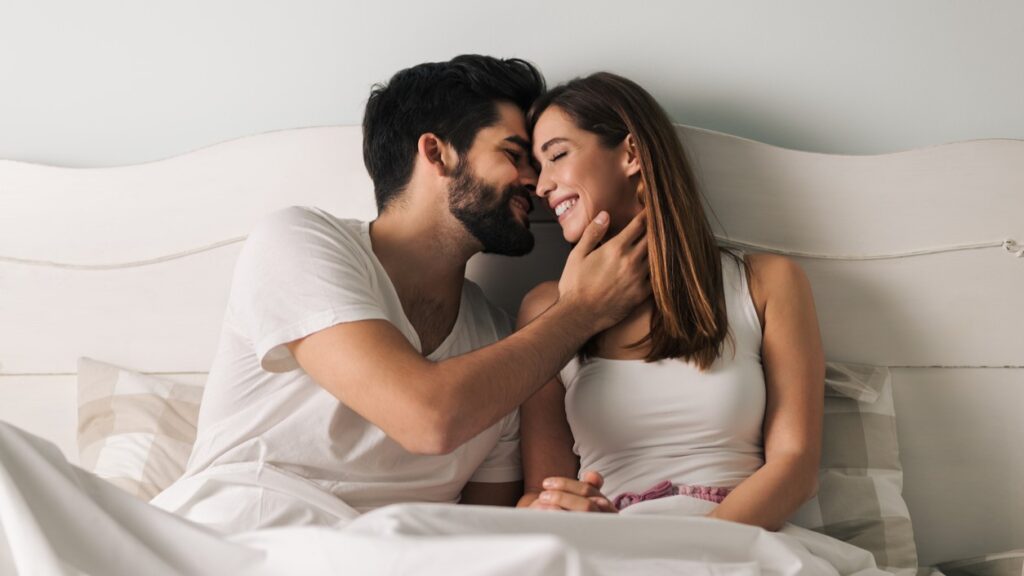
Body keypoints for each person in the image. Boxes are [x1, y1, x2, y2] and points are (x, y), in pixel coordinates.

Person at [148, 56, 651, 532]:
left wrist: (548, 515)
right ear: (436, 152)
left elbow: (487, 531)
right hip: (243, 533)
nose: (536, 183)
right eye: (514, 156)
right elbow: (427, 418)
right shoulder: (298, 241)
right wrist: (581, 311)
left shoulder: (500, 344)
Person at [516, 72, 825, 532]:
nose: (541, 186)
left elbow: (796, 467)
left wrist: (693, 553)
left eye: (557, 155)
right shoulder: (545, 309)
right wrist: (547, 510)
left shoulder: (765, 283)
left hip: (739, 547)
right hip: (609, 550)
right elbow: (540, 492)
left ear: (632, 153)